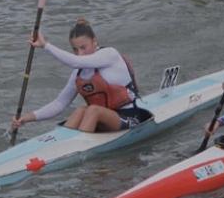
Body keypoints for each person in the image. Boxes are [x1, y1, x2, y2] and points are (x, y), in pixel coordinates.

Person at [11, 18, 144, 133]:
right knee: (81, 110)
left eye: (83, 47)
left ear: (94, 41)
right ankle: (61, 144)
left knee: (93, 110)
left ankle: (76, 148)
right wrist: (26, 118)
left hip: (130, 119)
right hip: (102, 123)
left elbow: (75, 61)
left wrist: (46, 45)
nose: (80, 53)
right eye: (75, 49)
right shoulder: (78, 72)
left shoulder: (109, 54)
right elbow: (59, 103)